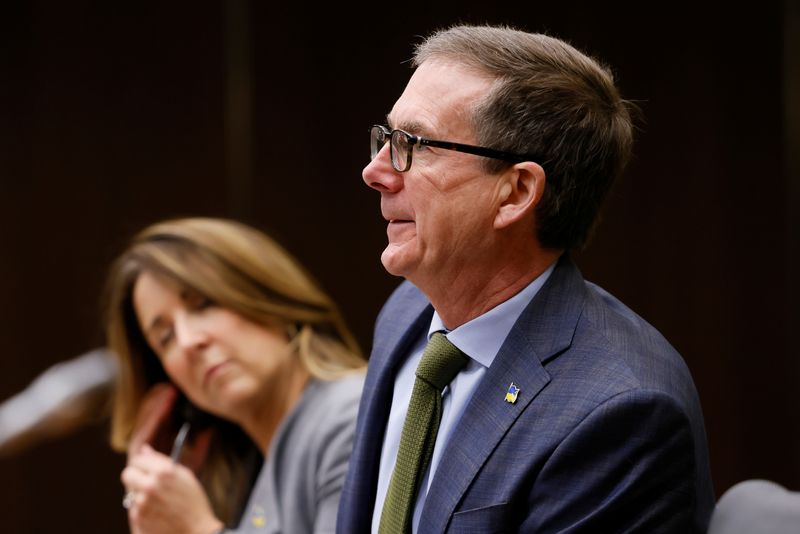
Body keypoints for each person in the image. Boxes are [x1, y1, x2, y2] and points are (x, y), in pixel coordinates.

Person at [338, 24, 714, 533]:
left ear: (515, 192)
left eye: (415, 144)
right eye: (386, 137)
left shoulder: (619, 413)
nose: (376, 170)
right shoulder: (407, 312)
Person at [103, 217, 366, 534]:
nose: (188, 341)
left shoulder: (350, 416)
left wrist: (198, 529)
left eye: (203, 304)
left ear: (267, 294)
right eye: (165, 339)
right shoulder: (249, 478)